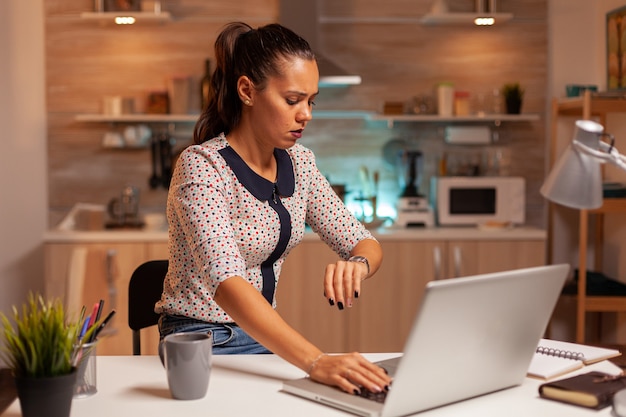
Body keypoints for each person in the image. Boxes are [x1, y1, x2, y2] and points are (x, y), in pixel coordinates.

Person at [155, 21, 391, 395]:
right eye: (293, 100)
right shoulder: (202, 165)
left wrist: (357, 264)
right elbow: (226, 282)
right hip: (201, 340)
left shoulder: (301, 163)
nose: (306, 114)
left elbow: (364, 241)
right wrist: (316, 361)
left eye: (311, 101)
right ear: (247, 91)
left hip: (262, 340)